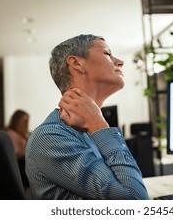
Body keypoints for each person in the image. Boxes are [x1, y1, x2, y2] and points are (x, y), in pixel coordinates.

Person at [25, 34, 150, 200]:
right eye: (107, 54)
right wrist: (99, 125)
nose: (120, 61)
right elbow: (135, 201)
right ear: (76, 63)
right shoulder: (50, 137)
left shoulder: (89, 130)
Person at [5, 109, 30, 187]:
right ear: (17, 121)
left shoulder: (25, 134)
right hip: (18, 165)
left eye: (27, 122)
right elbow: (15, 152)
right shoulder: (11, 133)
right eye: (24, 121)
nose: (25, 124)